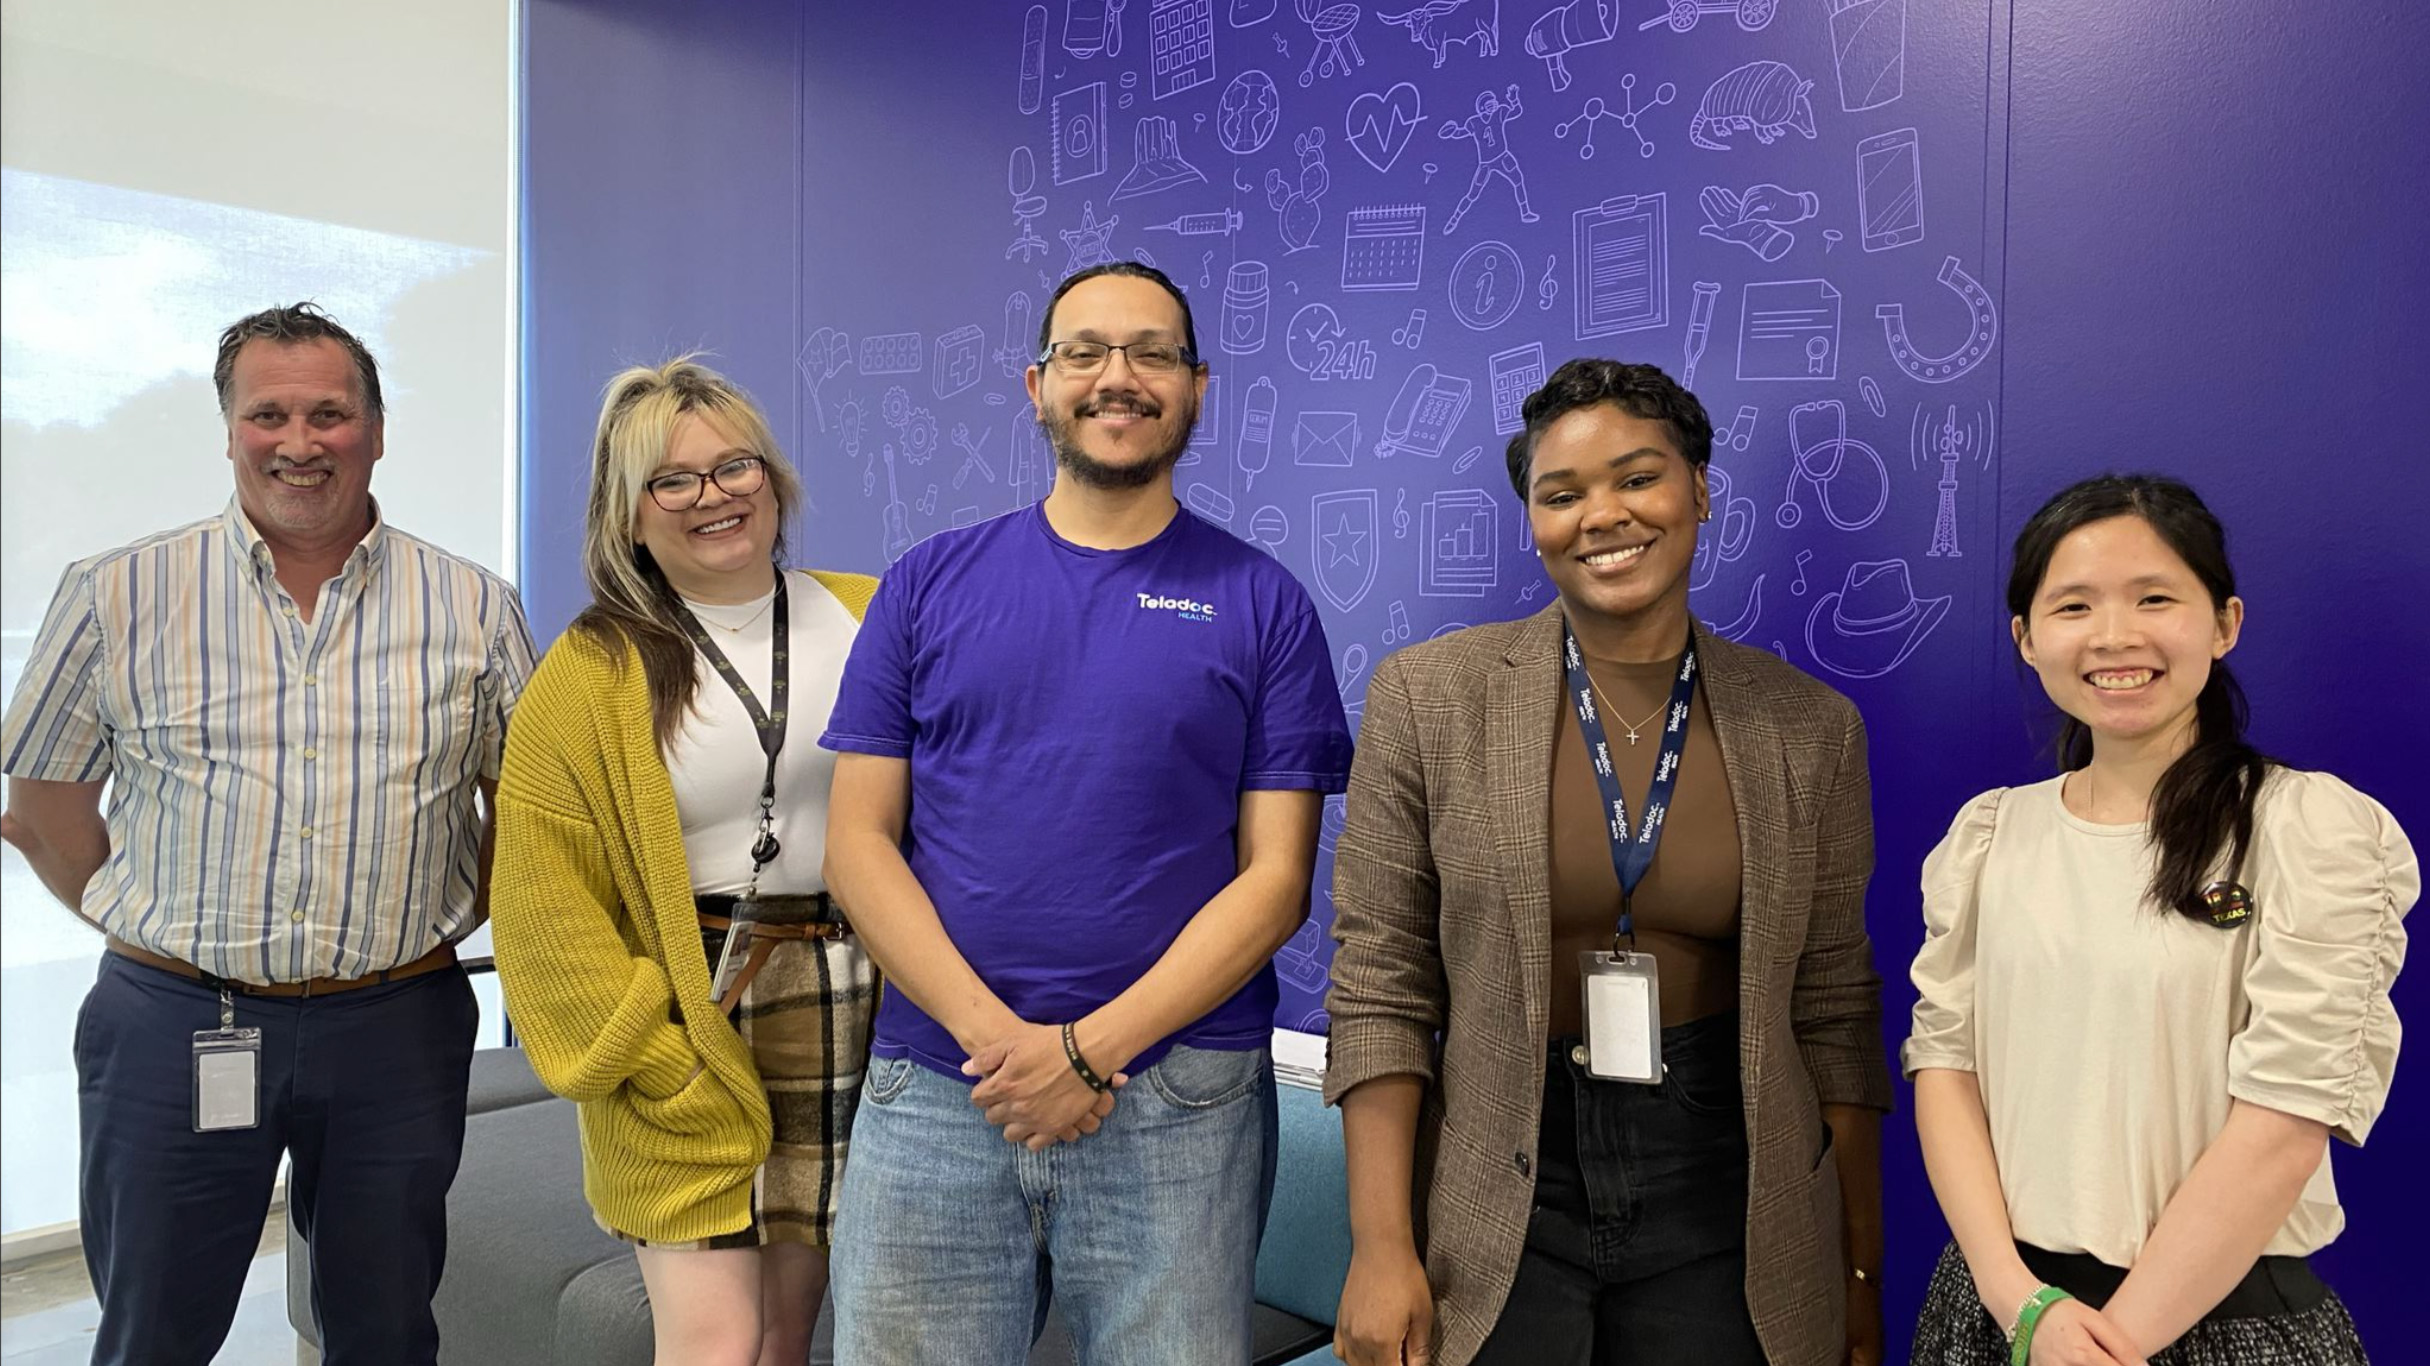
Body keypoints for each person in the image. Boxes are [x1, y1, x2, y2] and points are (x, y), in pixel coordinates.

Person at [820, 261, 1353, 1364]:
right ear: (1037, 384)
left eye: (1153, 352)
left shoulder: (1264, 603)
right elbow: (859, 844)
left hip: (1176, 1098)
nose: (1120, 377)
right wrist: (1004, 1047)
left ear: (1198, 386)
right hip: (938, 1087)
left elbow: (1275, 881)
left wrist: (1090, 1053)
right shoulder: (926, 584)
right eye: (1087, 352)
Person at [1327, 359, 1891, 1366]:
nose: (1603, 514)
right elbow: (1381, 984)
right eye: (1562, 493)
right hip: (1502, 1171)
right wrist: (1379, 1247)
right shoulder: (1429, 698)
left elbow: (1835, 1010)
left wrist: (1856, 1272)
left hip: (1730, 1178)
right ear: (1533, 519)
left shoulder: (1811, 728)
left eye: (1637, 477)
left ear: (1700, 489)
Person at [0, 303, 533, 1366]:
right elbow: (45, 810)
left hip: (399, 1026)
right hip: (171, 1023)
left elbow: (524, 808)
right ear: (230, 428)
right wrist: (172, 932)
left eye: (329, 413)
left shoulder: (475, 606)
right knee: (154, 1331)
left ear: (376, 431)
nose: (299, 442)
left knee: (385, 1333)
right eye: (269, 414)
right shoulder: (116, 593)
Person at [1906, 474, 2415, 1366]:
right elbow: (1945, 1062)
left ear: (2224, 623)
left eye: (2154, 598)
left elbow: (2288, 1121)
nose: (2115, 636)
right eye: (2073, 606)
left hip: (2223, 1325)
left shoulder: (2310, 830)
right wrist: (2018, 1303)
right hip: (2004, 1315)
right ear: (2026, 639)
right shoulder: (1990, 836)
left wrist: (2110, 1346)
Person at [485, 358, 878, 1366]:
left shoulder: (870, 613)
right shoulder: (592, 670)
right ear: (628, 516)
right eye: (673, 479)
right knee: (714, 1341)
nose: (714, 495)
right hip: (688, 1012)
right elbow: (542, 907)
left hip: (853, 1000)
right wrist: (649, 1054)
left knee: (790, 1334)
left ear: (773, 478)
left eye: (734, 464)